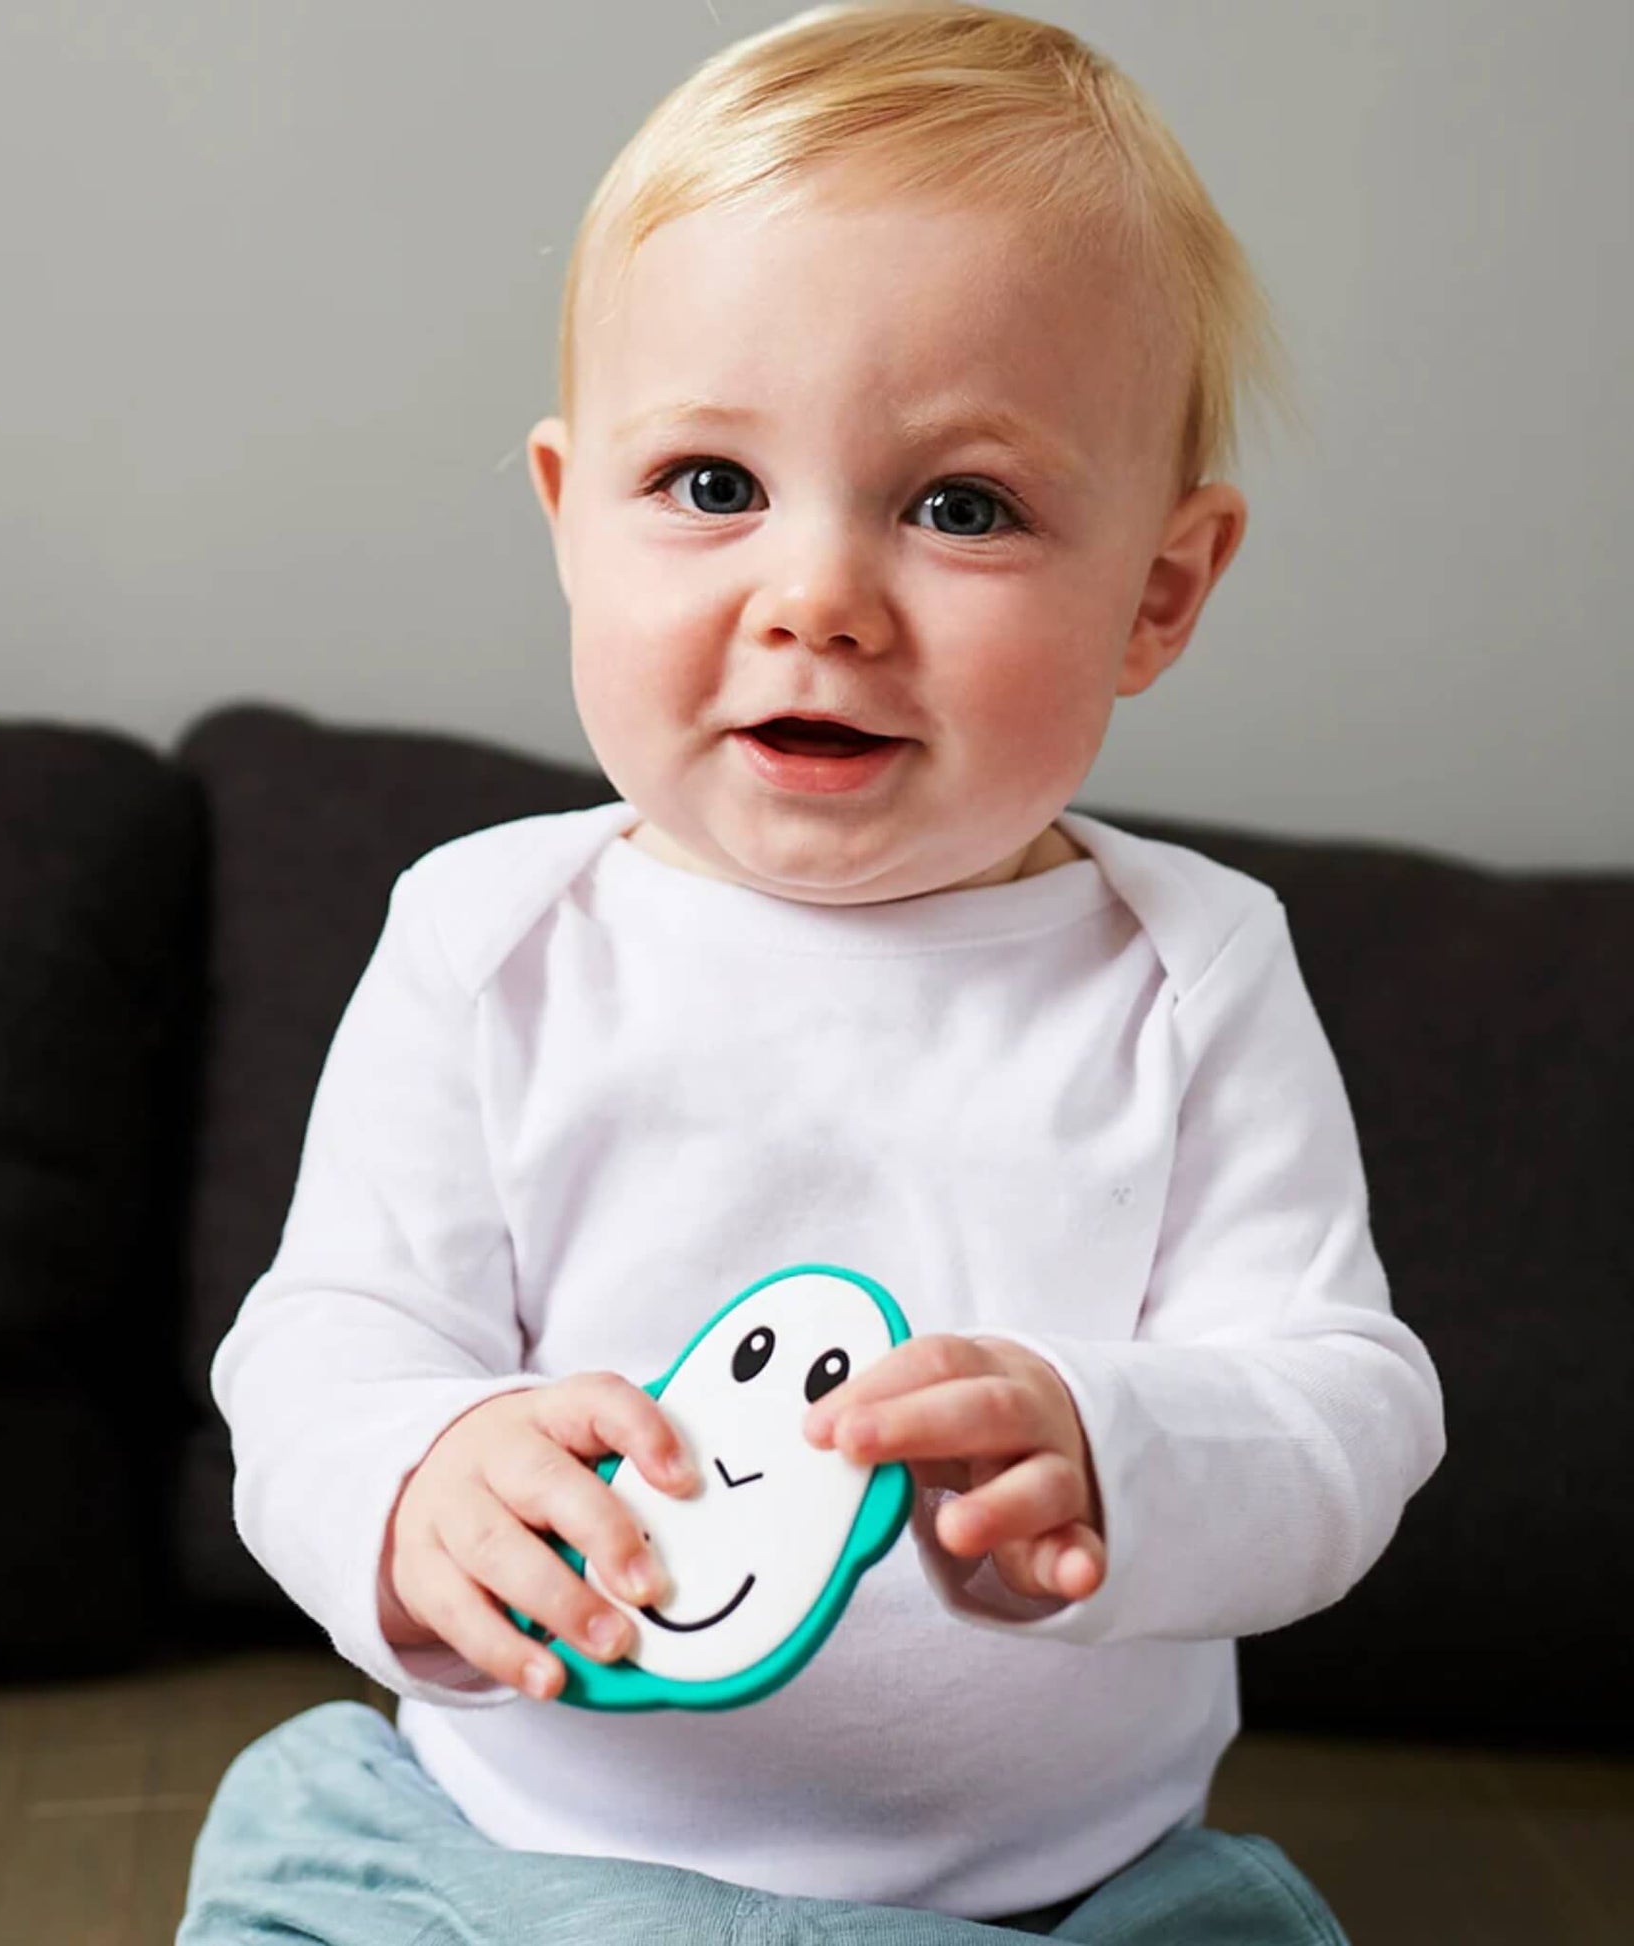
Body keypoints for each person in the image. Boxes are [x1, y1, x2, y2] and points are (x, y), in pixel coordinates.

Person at [178, 4, 1445, 1940]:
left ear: (1157, 593)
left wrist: (1122, 1442)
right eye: (706, 483)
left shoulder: (1188, 973)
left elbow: (1343, 1399)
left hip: (1058, 1898)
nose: (817, 597)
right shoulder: (486, 933)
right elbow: (322, 1337)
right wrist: (420, 1473)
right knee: (296, 1839)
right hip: (513, 1853)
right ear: (566, 518)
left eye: (962, 506)